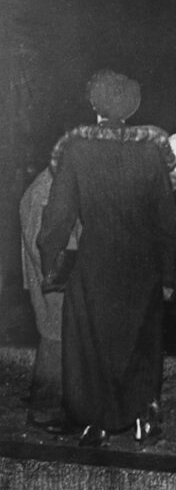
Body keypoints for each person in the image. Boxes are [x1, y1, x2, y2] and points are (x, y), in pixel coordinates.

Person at [37, 70, 176, 447]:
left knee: (93, 341)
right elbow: (168, 221)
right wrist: (168, 273)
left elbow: (58, 217)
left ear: (94, 104)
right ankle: (143, 418)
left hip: (95, 261)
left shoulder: (76, 149)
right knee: (141, 341)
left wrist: (50, 263)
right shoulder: (151, 151)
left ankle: (94, 422)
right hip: (142, 264)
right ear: (132, 106)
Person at [19, 165, 78, 431]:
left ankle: (49, 402)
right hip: (53, 281)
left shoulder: (54, 184)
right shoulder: (46, 189)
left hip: (55, 277)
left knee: (59, 338)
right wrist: (64, 277)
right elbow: (42, 243)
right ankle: (45, 409)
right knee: (55, 337)